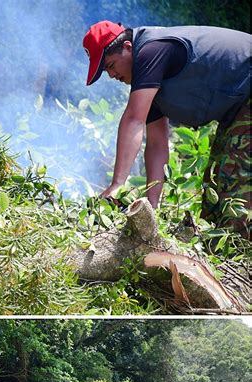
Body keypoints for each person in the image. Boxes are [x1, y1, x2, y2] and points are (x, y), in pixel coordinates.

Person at [83, 20, 251, 237]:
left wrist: (117, 184)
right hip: (237, 109)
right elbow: (156, 144)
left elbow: (134, 119)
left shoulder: (151, 51)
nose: (112, 76)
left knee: (235, 187)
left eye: (111, 66)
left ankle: (239, 252)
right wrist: (152, 208)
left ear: (127, 47)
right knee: (215, 185)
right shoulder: (149, 81)